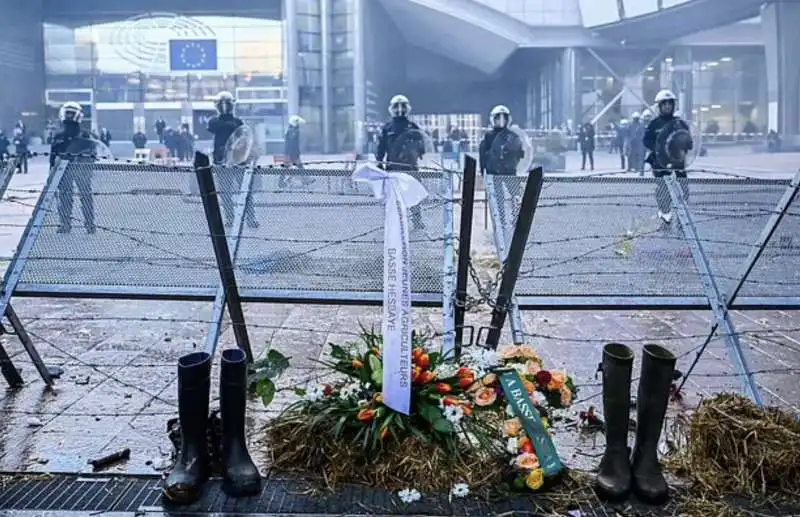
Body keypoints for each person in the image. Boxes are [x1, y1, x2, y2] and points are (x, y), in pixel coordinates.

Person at [207, 91, 258, 228]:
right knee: (225, 193)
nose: (224, 106)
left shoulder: (237, 122)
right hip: (221, 161)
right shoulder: (216, 122)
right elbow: (216, 126)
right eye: (222, 104)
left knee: (245, 191)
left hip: (237, 160)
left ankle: (250, 218)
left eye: (227, 104)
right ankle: (231, 217)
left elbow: (244, 138)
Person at [376, 94, 425, 230]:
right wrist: (379, 162)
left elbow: (421, 146)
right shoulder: (387, 128)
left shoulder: (412, 126)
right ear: (391, 108)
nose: (399, 109)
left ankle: (416, 220)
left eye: (402, 106)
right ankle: (395, 220)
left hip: (410, 167)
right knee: (393, 197)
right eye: (396, 106)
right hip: (393, 167)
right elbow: (381, 147)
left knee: (414, 194)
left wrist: (417, 152)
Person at [644, 89, 693, 224]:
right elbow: (646, 141)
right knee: (662, 189)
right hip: (660, 164)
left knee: (682, 187)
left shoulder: (680, 123)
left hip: (678, 163)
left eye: (670, 103)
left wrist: (684, 145)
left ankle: (683, 211)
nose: (667, 106)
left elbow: (689, 142)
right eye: (664, 103)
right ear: (659, 106)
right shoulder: (654, 125)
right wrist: (657, 149)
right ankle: (665, 212)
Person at [50, 101, 96, 234]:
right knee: (64, 197)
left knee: (86, 196)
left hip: (81, 169)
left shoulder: (85, 135)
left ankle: (89, 224)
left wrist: (87, 165)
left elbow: (92, 152)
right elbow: (53, 156)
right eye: (67, 113)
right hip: (63, 171)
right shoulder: (59, 136)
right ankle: (65, 224)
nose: (69, 116)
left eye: (72, 113)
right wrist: (52, 171)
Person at [479, 104, 525, 220]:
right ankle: (501, 220)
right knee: (498, 198)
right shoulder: (488, 136)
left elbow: (519, 154)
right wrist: (483, 171)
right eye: (498, 118)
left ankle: (516, 218)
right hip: (494, 173)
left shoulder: (513, 136)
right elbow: (483, 155)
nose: (501, 121)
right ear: (493, 119)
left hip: (509, 171)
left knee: (516, 196)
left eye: (503, 118)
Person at [279, 115, 313, 188]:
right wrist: (295, 154)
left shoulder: (291, 130)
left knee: (288, 167)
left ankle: (282, 182)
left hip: (289, 153)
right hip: (291, 153)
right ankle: (305, 180)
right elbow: (292, 144)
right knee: (294, 167)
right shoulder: (293, 131)